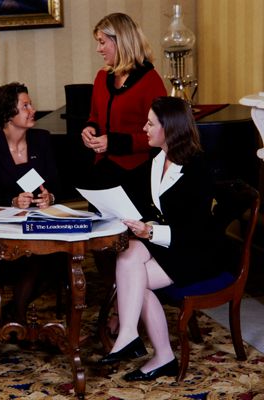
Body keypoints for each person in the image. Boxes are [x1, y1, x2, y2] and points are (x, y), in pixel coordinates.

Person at [99, 96, 226, 381]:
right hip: (169, 247)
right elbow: (145, 204)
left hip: (197, 251)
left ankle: (152, 349)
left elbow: (196, 229)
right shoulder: (156, 161)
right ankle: (142, 342)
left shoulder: (197, 168)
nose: (144, 128)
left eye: (150, 123)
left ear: (169, 128)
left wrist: (151, 231)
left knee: (133, 277)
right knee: (131, 255)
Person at [0, 82, 64, 324]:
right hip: (8, 234)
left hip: (41, 227)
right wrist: (13, 201)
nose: (32, 109)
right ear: (8, 114)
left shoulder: (42, 140)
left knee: (55, 258)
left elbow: (57, 185)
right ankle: (16, 313)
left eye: (30, 104)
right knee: (33, 257)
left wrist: (51, 197)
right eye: (25, 106)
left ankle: (14, 310)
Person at [81, 12, 167, 188]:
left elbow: (162, 134)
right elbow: (94, 117)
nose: (98, 49)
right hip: (101, 170)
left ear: (121, 41)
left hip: (136, 174)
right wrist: (90, 129)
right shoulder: (101, 76)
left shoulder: (150, 80)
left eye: (102, 42)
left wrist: (113, 143)